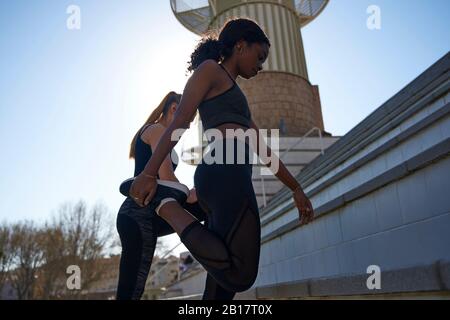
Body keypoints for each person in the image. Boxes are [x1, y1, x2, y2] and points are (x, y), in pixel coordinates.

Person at [129, 18, 314, 300]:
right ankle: (168, 209)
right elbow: (180, 122)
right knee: (241, 274)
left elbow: (264, 151)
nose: (261, 65)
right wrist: (148, 173)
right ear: (240, 45)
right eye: (259, 56)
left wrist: (295, 188)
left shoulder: (238, 98)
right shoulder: (210, 71)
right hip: (221, 171)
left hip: (236, 175)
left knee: (224, 286)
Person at [116, 91, 207, 300]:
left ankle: (215, 255)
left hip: (153, 213)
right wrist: (190, 194)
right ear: (174, 109)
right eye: (188, 119)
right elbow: (166, 176)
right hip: (136, 214)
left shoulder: (164, 139)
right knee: (131, 290)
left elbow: (165, 183)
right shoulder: (157, 130)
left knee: (207, 202)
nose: (188, 126)